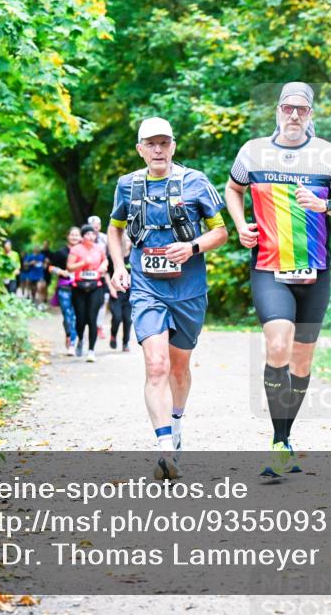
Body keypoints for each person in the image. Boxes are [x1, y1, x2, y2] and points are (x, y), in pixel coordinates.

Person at [224, 82, 331, 478]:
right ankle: (279, 441)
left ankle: (283, 439)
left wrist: (324, 204)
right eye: (288, 108)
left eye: (302, 109)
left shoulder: (328, 155)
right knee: (278, 345)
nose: (295, 115)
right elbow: (233, 189)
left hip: (315, 271)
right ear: (278, 111)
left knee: (301, 360)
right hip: (270, 267)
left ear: (311, 114)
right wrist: (240, 225)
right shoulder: (252, 151)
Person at [108, 117, 227, 480]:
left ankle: (175, 426)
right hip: (147, 287)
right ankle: (163, 449)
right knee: (156, 365)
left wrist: (192, 247)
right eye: (151, 144)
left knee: (178, 367)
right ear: (140, 149)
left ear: (173, 146)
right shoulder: (127, 185)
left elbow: (221, 232)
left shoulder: (196, 181)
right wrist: (118, 267)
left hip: (189, 289)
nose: (158, 150)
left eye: (164, 143)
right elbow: (115, 229)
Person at [67, 224, 108, 362]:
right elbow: (69, 267)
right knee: (80, 320)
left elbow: (105, 260)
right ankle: (80, 338)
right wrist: (83, 263)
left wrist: (103, 266)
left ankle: (91, 351)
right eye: (88, 234)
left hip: (96, 287)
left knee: (92, 319)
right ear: (82, 237)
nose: (91, 236)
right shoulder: (76, 249)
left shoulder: (99, 248)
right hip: (78, 288)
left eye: (93, 234)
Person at [47, 227, 81, 355]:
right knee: (67, 315)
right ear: (67, 237)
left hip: (80, 288)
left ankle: (72, 340)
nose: (74, 237)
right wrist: (61, 272)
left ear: (80, 237)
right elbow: (50, 267)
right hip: (64, 287)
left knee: (77, 316)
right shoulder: (61, 252)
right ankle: (70, 336)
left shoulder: (84, 252)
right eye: (72, 235)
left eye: (77, 235)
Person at [107, 229, 133, 352]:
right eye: (124, 240)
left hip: (130, 293)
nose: (126, 243)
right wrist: (111, 288)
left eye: (128, 240)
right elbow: (106, 273)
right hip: (116, 292)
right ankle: (113, 335)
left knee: (128, 319)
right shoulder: (114, 257)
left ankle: (125, 342)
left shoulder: (135, 256)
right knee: (117, 317)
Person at [88, 215, 111, 341]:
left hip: (103, 273)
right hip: (87, 275)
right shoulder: (83, 239)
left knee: (104, 300)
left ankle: (99, 326)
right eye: (93, 227)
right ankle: (89, 324)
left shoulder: (105, 239)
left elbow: (111, 255)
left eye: (97, 227)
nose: (95, 229)